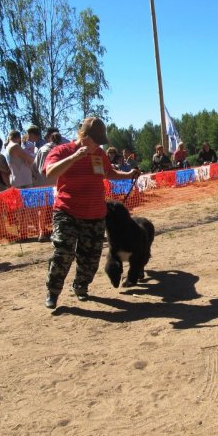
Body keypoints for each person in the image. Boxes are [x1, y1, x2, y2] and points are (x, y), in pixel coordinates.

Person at [41, 116, 139, 309]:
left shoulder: (99, 155)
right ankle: (53, 292)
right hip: (67, 211)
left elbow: (109, 173)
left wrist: (128, 175)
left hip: (94, 214)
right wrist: (75, 156)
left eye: (100, 142)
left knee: (91, 257)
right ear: (83, 136)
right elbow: (50, 172)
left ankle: (81, 286)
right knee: (63, 252)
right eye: (95, 141)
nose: (98, 146)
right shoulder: (61, 151)